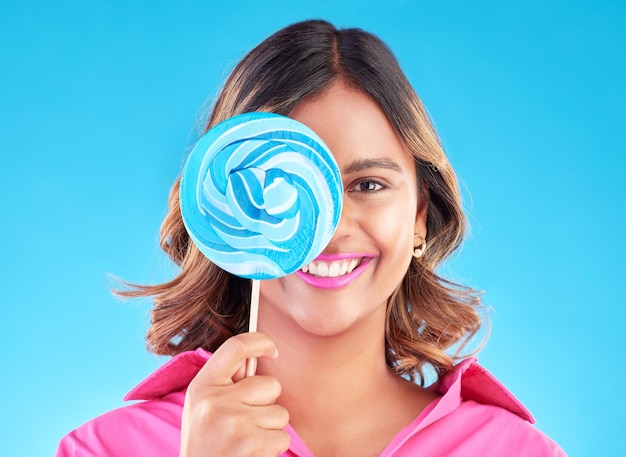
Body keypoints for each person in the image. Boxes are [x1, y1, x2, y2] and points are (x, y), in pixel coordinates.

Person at [56, 19, 566, 457]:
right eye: (281, 183)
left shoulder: (514, 450)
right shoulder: (104, 448)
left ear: (418, 216)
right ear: (225, 206)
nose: (332, 227)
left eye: (367, 185)